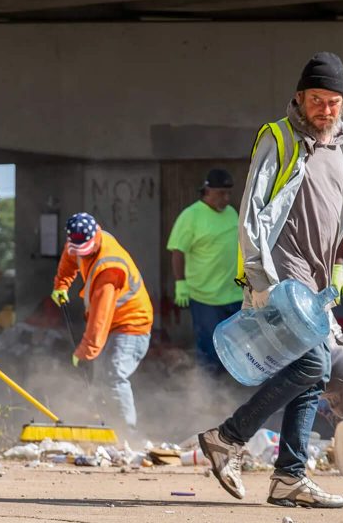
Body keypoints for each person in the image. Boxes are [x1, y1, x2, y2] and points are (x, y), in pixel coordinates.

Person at [198, 52, 343, 508]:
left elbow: (337, 216)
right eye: (316, 100)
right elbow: (251, 211)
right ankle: (228, 438)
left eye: (333, 102)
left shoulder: (341, 147)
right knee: (312, 367)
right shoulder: (280, 137)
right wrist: (258, 277)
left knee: (312, 373)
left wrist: (338, 265)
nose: (325, 109)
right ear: (299, 99)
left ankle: (288, 476)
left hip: (317, 278)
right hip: (283, 274)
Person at [50, 213, 153, 432]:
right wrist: (61, 285)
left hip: (131, 324)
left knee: (113, 375)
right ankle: (107, 429)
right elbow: (70, 258)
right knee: (100, 380)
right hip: (113, 324)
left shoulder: (110, 267)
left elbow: (100, 317)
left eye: (86, 251)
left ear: (96, 233)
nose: (83, 256)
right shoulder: (78, 242)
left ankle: (127, 432)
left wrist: (85, 353)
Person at [167, 168, 243, 375]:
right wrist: (180, 283)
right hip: (206, 297)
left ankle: (231, 393)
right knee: (210, 350)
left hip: (234, 294)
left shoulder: (232, 213)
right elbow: (177, 251)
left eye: (228, 193)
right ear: (207, 191)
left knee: (239, 350)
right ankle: (207, 397)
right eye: (221, 193)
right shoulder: (191, 216)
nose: (226, 198)